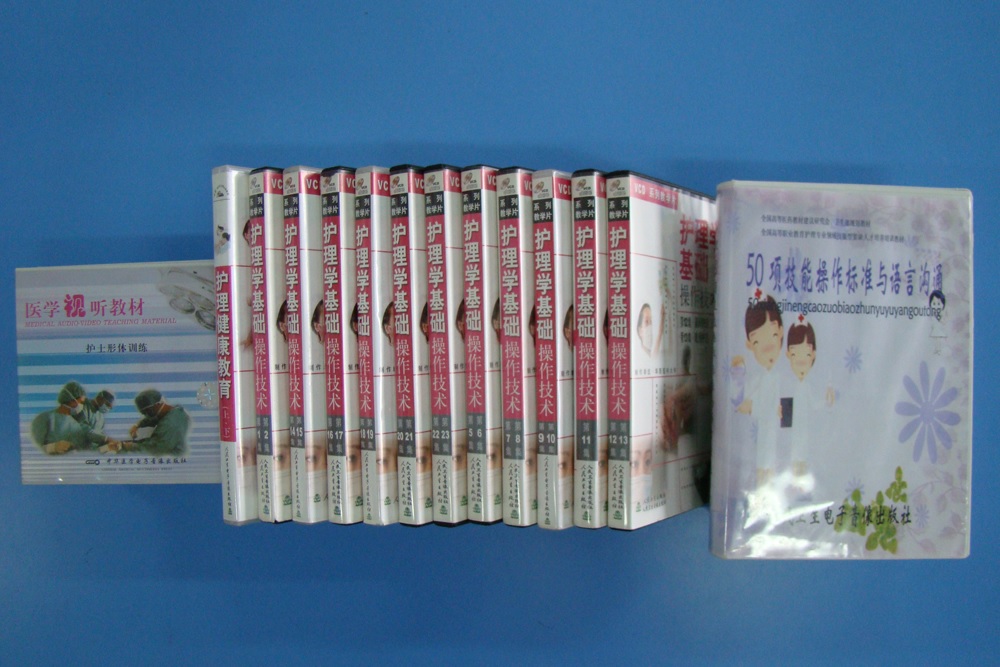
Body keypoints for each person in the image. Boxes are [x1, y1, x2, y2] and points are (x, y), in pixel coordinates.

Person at [734, 294, 784, 486]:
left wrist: (754, 407)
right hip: (762, 441)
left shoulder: (783, 380)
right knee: (763, 469)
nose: (767, 346)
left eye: (772, 335)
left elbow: (782, 412)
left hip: (779, 444)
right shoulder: (757, 380)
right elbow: (739, 402)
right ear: (749, 344)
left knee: (773, 470)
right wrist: (738, 374)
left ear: (780, 332)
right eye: (757, 341)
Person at [30, 382, 106, 454]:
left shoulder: (76, 425)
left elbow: (84, 450)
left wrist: (105, 448)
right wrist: (53, 447)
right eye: (81, 402)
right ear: (71, 400)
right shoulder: (44, 418)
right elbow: (34, 448)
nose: (82, 406)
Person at [122, 389, 192, 455]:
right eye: (143, 413)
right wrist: (137, 425)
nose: (146, 415)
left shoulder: (170, 424)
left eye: (148, 411)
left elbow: (157, 448)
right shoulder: (174, 411)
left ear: (158, 404)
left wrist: (131, 446)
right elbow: (152, 418)